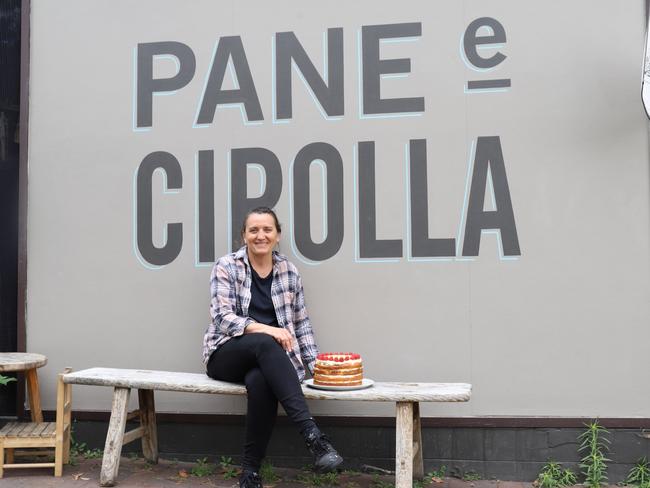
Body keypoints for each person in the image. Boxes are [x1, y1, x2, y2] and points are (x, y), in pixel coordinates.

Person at [203, 206, 343, 488]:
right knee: (266, 344)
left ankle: (250, 473)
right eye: (253, 230)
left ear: (277, 235)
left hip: (266, 361)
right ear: (244, 235)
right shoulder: (227, 266)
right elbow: (222, 316)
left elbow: (301, 324)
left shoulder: (289, 271)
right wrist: (269, 329)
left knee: (260, 381)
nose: (260, 235)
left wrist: (317, 367)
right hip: (226, 353)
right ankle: (312, 436)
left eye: (267, 229)